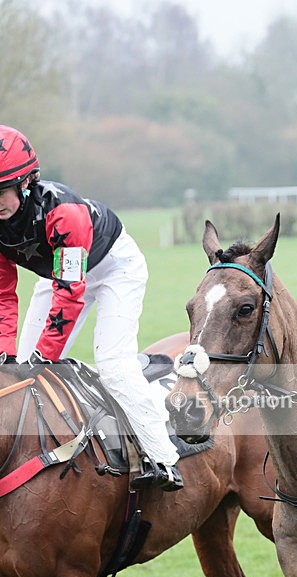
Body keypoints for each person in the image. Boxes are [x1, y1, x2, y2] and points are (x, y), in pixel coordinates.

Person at [0, 124, 182, 491]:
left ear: (25, 183)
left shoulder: (63, 213)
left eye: (1, 192)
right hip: (58, 276)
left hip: (115, 268)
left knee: (113, 364)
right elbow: (3, 295)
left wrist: (44, 356)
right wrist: (5, 353)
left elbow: (71, 294)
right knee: (18, 371)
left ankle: (164, 456)